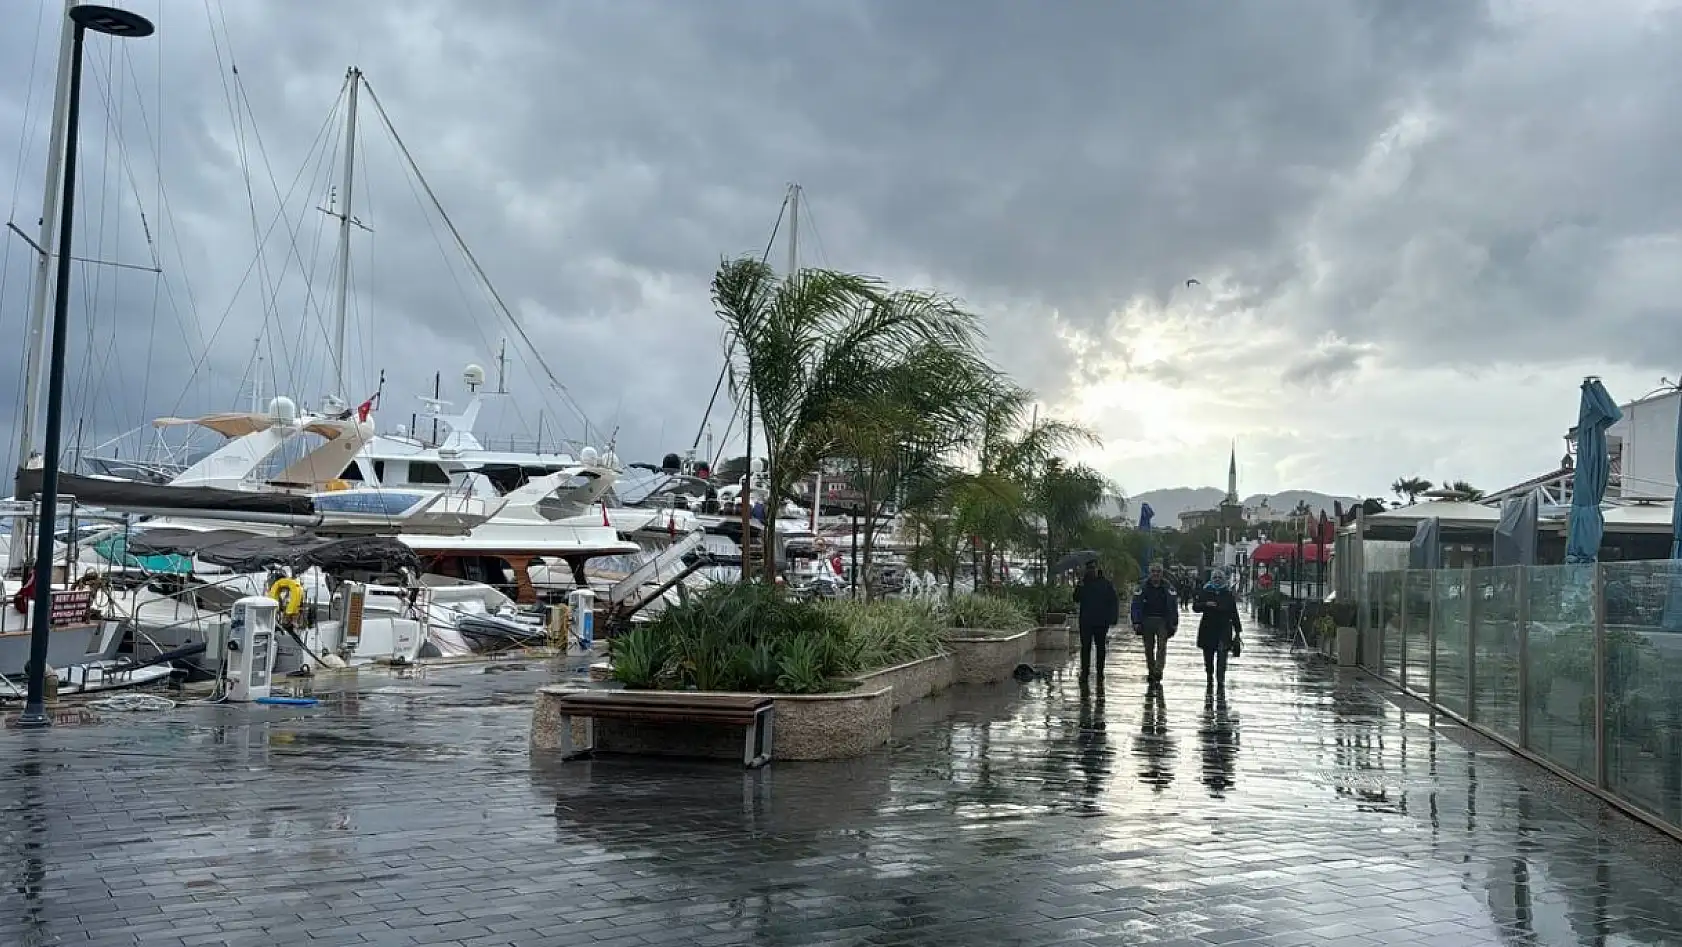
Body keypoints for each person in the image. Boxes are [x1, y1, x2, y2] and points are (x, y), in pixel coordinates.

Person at [1072, 562, 1120, 689]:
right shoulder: (1083, 583)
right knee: (1085, 647)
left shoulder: (1105, 584)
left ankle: (1100, 672)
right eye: (1089, 568)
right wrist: (1079, 584)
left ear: (1097, 569)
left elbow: (1113, 601)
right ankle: (1085, 672)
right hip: (1086, 622)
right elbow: (1076, 598)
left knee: (1100, 648)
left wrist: (1113, 618)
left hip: (1101, 622)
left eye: (1093, 568)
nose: (1091, 571)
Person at [1192, 567, 1242, 688]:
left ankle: (1220, 678)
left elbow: (1233, 612)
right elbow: (1195, 607)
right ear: (1211, 579)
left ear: (1224, 579)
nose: (1217, 580)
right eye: (1215, 577)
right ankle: (1209, 674)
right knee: (1208, 655)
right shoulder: (1205, 591)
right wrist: (1205, 604)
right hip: (1208, 627)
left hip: (1224, 628)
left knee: (1222, 654)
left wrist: (1238, 630)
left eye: (1220, 578)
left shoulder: (1228, 593)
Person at [1130, 563, 1178, 682]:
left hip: (1163, 621)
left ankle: (1158, 670)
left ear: (1162, 573)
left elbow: (1173, 606)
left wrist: (1174, 622)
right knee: (1148, 648)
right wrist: (1136, 621)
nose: (1156, 574)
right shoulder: (1143, 587)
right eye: (1153, 571)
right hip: (1146, 621)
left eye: (1158, 571)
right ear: (1150, 573)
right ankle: (1151, 670)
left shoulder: (1168, 587)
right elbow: (1136, 605)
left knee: (1162, 647)